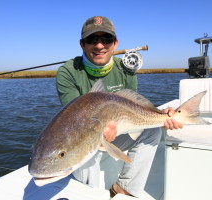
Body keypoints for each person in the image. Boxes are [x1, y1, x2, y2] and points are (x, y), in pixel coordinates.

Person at [56, 16, 183, 198]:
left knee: (153, 130)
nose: (99, 46)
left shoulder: (125, 69)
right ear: (82, 44)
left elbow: (134, 107)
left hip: (117, 131)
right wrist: (99, 133)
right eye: (92, 40)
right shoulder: (68, 72)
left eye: (106, 40)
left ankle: (124, 189)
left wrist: (163, 115)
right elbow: (74, 120)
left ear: (115, 44)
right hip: (86, 134)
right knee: (85, 157)